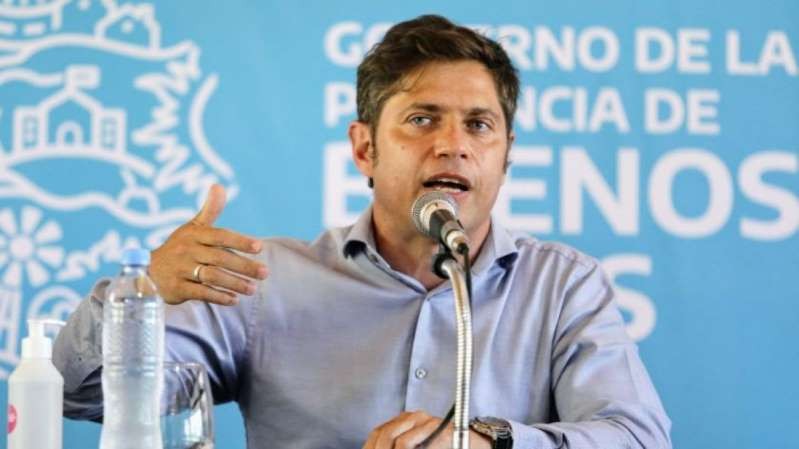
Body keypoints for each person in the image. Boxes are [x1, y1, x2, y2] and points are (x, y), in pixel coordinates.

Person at [53, 14, 672, 449]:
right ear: (365, 148)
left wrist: (490, 441)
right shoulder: (266, 282)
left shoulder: (562, 286)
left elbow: (636, 437)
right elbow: (78, 395)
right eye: (422, 119)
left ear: (506, 156)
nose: (452, 145)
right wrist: (139, 298)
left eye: (479, 125)